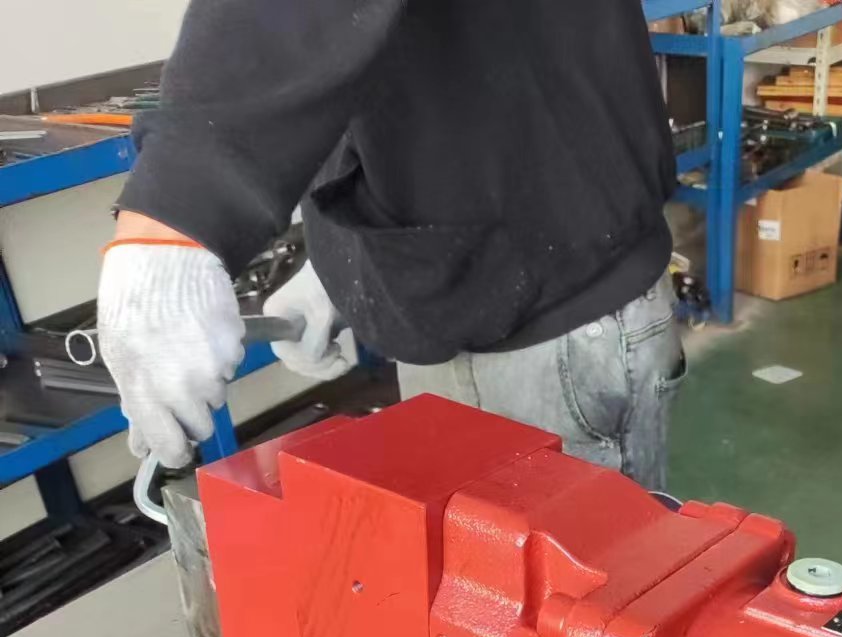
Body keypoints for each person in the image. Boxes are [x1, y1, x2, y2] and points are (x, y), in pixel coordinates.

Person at [97, 0, 686, 489]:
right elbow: (380, 57)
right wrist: (340, 262)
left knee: (587, 585)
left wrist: (170, 225)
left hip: (555, 323)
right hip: (474, 293)